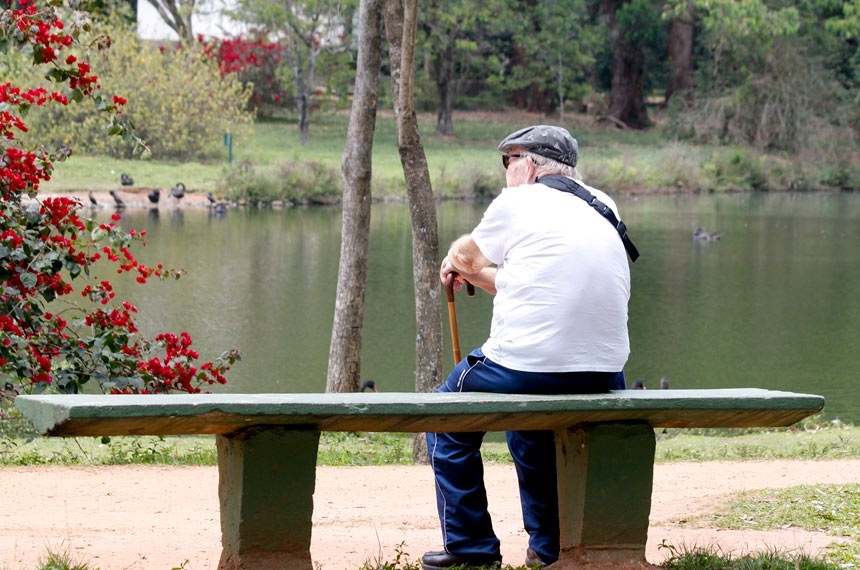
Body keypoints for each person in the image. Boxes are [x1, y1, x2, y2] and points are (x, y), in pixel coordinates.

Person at [422, 125, 636, 570]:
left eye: (508, 161)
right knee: (530, 423)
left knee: (445, 416)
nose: (505, 172)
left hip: (530, 363)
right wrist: (480, 275)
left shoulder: (518, 201)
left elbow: (464, 256)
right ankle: (548, 547)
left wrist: (457, 263)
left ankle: (470, 548)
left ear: (531, 165)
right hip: (604, 370)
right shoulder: (602, 204)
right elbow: (530, 284)